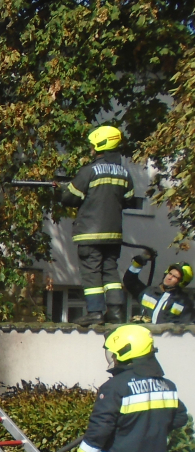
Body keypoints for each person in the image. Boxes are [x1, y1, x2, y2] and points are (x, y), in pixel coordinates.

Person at [61, 125, 139, 327]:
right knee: (111, 272)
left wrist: (62, 188)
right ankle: (115, 313)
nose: (91, 150)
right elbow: (130, 200)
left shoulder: (90, 171)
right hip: (113, 235)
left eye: (92, 146)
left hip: (89, 234)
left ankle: (95, 312)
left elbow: (69, 197)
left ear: (99, 145)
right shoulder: (124, 173)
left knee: (91, 273)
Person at [123, 255, 194, 325]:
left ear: (181, 282)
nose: (169, 277)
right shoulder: (148, 292)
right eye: (170, 273)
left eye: (175, 277)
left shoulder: (184, 303)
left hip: (165, 336)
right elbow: (129, 281)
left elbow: (187, 329)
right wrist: (137, 264)